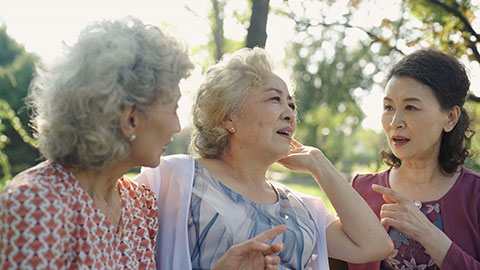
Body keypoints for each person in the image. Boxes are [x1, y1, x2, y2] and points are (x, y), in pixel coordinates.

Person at [0, 17, 286, 269]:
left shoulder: (139, 206)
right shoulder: (35, 204)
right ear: (130, 118)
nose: (176, 126)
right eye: (173, 107)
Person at [134, 47, 393, 270]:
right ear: (228, 118)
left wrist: (319, 163)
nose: (290, 114)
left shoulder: (300, 208)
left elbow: (374, 246)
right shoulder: (173, 177)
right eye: (274, 99)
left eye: (291, 104)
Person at [348, 49, 479, 270]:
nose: (395, 121)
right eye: (389, 107)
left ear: (450, 118)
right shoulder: (360, 190)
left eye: (411, 107)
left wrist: (426, 232)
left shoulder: (475, 195)